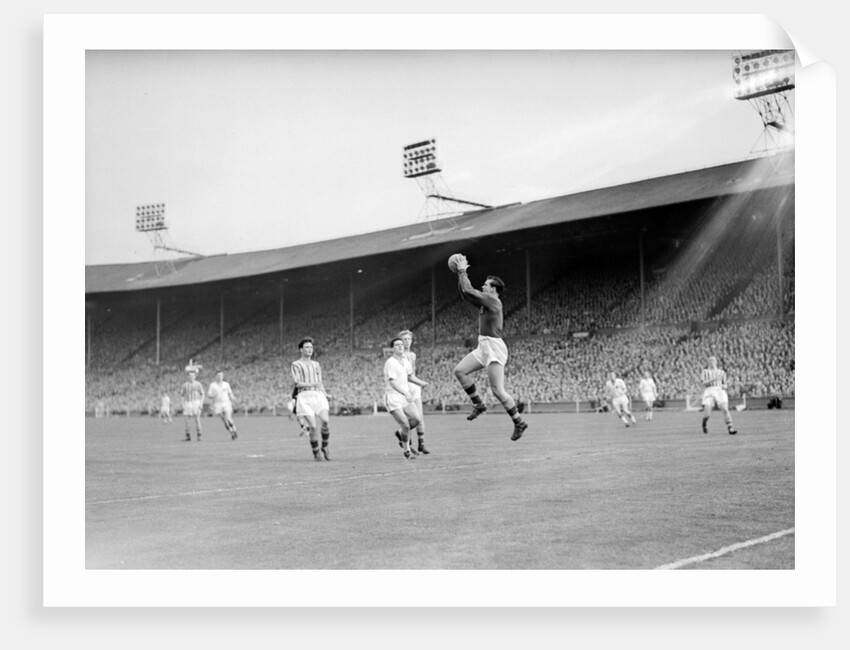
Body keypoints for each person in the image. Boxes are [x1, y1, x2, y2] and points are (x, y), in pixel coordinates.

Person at [450, 254, 528, 441]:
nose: (483, 286)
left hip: (493, 347)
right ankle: (479, 404)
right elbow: (465, 294)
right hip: (483, 345)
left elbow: (469, 290)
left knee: (498, 391)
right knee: (459, 371)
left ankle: (519, 422)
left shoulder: (493, 301)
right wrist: (459, 276)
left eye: (486, 284)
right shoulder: (486, 301)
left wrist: (462, 270)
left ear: (494, 289)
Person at [291, 337, 332, 461]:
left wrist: (325, 393)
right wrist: (312, 385)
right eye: (307, 347)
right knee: (313, 427)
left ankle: (325, 446)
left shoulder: (316, 364)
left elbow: (320, 383)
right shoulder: (296, 364)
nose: (310, 349)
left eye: (311, 347)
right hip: (304, 396)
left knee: (325, 420)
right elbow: (297, 383)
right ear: (301, 350)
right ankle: (316, 452)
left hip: (317, 395)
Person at [392, 329, 430, 455]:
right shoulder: (399, 357)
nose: (407, 342)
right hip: (406, 389)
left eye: (409, 339)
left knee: (420, 417)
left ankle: (421, 444)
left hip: (415, 388)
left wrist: (419, 383)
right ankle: (407, 442)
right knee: (411, 418)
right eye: (404, 340)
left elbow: (412, 373)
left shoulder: (413, 355)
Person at [384, 337, 422, 460]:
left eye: (401, 344)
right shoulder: (390, 362)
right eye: (397, 345)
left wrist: (421, 383)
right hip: (393, 397)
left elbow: (410, 376)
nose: (400, 346)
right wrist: (405, 393)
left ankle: (400, 433)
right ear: (392, 348)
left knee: (416, 419)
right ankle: (407, 451)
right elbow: (393, 383)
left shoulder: (406, 361)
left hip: (404, 396)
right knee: (405, 425)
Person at [700, 356, 738, 435]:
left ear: (716, 362)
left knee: (725, 409)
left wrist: (725, 386)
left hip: (720, 390)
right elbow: (703, 383)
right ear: (708, 362)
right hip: (709, 390)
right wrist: (713, 379)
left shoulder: (722, 372)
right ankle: (704, 424)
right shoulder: (705, 371)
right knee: (707, 414)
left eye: (713, 360)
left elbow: (725, 384)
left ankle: (730, 428)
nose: (711, 361)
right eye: (710, 360)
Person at [207, 371, 238, 440]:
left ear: (223, 376)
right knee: (224, 420)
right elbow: (209, 395)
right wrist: (213, 395)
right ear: (216, 376)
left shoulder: (226, 384)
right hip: (217, 404)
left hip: (226, 402)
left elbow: (230, 393)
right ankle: (231, 433)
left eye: (221, 375)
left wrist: (233, 399)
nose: (219, 377)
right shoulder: (213, 385)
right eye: (218, 375)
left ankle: (234, 430)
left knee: (228, 418)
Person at [179, 368, 205, 441]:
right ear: (188, 376)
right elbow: (182, 395)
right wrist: (182, 403)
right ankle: (188, 436)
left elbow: (202, 394)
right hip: (188, 403)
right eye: (190, 376)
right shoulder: (184, 385)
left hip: (196, 402)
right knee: (187, 420)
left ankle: (199, 436)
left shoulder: (198, 384)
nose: (191, 377)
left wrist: (201, 403)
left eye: (193, 376)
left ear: (195, 376)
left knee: (197, 419)